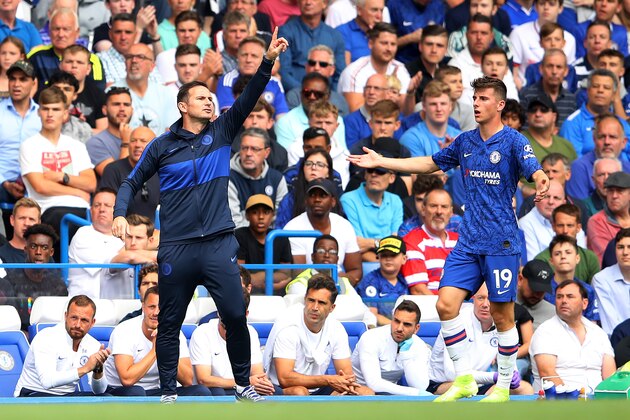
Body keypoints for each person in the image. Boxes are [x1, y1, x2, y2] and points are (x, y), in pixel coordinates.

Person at [111, 27, 288, 403]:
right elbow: (129, 182)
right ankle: (168, 392)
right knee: (170, 323)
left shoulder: (222, 130)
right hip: (176, 247)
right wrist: (119, 214)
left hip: (219, 242)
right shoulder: (160, 146)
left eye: (212, 97)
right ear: (182, 106)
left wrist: (267, 60)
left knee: (236, 316)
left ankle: (242, 386)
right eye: (202, 98)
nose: (210, 102)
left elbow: (250, 95)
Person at [348, 76, 549, 402]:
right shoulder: (465, 141)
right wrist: (383, 161)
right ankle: (465, 379)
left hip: (501, 243)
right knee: (445, 304)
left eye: (483, 98)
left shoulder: (513, 141)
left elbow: (534, 168)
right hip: (468, 240)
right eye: (475, 97)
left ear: (499, 104)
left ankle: (502, 386)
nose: (476, 103)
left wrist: (540, 180)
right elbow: (430, 163)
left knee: (502, 316)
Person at [263, 273, 374, 395]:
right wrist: (327, 380)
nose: (315, 307)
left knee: (366, 392)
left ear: (332, 308)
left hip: (319, 387)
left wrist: (345, 384)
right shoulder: (289, 328)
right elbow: (285, 379)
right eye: (311, 300)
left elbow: (347, 374)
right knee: (300, 392)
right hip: (282, 388)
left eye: (321, 303)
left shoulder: (336, 328)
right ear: (305, 300)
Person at [428, 283, 533, 397]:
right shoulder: (457, 321)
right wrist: (494, 377)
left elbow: (509, 358)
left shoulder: (504, 324)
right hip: (443, 385)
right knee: (469, 387)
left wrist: (512, 373)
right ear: (473, 299)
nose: (485, 304)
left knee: (525, 389)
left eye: (491, 299)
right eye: (480, 298)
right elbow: (452, 374)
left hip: (477, 385)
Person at [103, 286, 211, 396]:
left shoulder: (176, 333)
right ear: (143, 307)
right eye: (152, 307)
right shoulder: (124, 330)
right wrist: (155, 350)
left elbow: (187, 380)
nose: (156, 312)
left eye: (161, 307)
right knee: (137, 392)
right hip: (120, 390)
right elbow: (127, 379)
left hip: (155, 391)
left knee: (201, 391)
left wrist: (167, 346)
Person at [19, 86, 96, 236]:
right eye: (45, 109)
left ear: (65, 113)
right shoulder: (29, 145)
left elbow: (90, 183)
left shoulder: (76, 146)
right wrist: (76, 190)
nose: (50, 114)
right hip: (48, 210)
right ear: (38, 112)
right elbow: (40, 186)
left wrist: (61, 177)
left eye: (55, 109)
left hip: (81, 209)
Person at [14, 295, 112, 397]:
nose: (78, 325)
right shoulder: (46, 337)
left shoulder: (93, 345)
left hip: (65, 396)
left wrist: (98, 370)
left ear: (92, 323)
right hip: (32, 394)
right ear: (66, 316)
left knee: (107, 398)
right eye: (74, 318)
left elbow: (99, 391)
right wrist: (85, 368)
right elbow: (47, 381)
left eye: (84, 320)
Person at [530, 280, 615, 392]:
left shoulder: (599, 334)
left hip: (597, 401)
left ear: (584, 303)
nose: (564, 301)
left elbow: (610, 377)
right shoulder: (545, 331)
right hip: (560, 402)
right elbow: (547, 375)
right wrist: (574, 401)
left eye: (570, 297)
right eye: (559, 297)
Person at [190, 288, 275, 396]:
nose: (231, 315)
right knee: (219, 393)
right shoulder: (202, 332)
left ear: (246, 314)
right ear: (218, 311)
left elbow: (258, 374)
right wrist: (245, 383)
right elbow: (204, 379)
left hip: (242, 387)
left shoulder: (251, 332)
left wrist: (261, 384)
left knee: (273, 392)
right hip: (217, 389)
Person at [284, 178, 362, 286]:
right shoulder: (292, 228)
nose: (317, 199)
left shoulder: (344, 225)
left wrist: (340, 281)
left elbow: (356, 271)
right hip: (306, 287)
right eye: (312, 195)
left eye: (323, 195)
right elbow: (298, 274)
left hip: (338, 284)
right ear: (306, 200)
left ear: (333, 201)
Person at [351, 300, 431, 395]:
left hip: (391, 394)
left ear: (416, 328)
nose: (399, 328)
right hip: (357, 389)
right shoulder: (370, 338)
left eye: (407, 324)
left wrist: (406, 355)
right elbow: (373, 383)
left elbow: (420, 387)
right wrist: (413, 392)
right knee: (369, 393)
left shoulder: (419, 345)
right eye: (396, 321)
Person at [5, 223, 67, 330]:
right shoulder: (10, 281)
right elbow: (9, 324)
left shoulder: (58, 285)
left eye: (44, 247)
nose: (38, 252)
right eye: (33, 246)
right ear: (25, 249)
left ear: (51, 252)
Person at [338, 23, 410, 113]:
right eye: (384, 43)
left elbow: (407, 112)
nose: (389, 48)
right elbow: (356, 111)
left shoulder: (400, 69)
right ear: (371, 44)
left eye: (393, 44)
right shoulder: (354, 72)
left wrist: (411, 93)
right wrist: (386, 97)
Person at [68, 188, 125, 299]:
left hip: (119, 305)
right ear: (91, 211)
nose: (102, 209)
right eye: (97, 205)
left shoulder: (124, 238)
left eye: (107, 205)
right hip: (84, 308)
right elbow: (114, 262)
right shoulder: (83, 234)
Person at [278, 0, 346, 92]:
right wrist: (305, 92)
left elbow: (340, 74)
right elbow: (283, 72)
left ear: (324, 4)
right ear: (298, 3)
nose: (308, 2)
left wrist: (329, 95)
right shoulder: (286, 32)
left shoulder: (335, 36)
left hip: (327, 96)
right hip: (295, 93)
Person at [112, 43, 179, 135]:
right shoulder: (112, 92)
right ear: (125, 63)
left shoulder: (165, 93)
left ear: (152, 66)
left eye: (140, 57)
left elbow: (172, 131)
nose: (134, 60)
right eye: (129, 57)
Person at [341, 164, 403, 262]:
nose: (373, 174)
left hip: (390, 262)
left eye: (380, 171)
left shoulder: (395, 201)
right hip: (363, 263)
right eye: (370, 170)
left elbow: (397, 242)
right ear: (365, 174)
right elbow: (356, 245)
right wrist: (385, 261)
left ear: (391, 178)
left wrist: (372, 243)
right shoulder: (348, 200)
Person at [402, 188, 459, 295]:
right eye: (433, 206)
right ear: (423, 210)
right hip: (431, 307)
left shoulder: (460, 242)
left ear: (451, 212)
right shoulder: (412, 241)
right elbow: (418, 290)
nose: (439, 211)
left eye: (444, 207)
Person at [228, 127, 288, 228]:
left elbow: (281, 218)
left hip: (270, 239)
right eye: (244, 148)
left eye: (255, 149)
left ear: (267, 152)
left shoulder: (277, 179)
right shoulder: (227, 178)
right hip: (241, 240)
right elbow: (234, 222)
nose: (248, 154)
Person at [216, 36, 288, 117]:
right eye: (244, 55)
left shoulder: (275, 83)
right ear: (238, 57)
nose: (248, 60)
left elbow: (282, 117)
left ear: (263, 59)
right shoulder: (226, 81)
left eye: (254, 56)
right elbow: (229, 118)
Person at [0, 60, 40, 206]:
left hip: (34, 181)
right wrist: (4, 183)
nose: (16, 84)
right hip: (2, 181)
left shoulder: (42, 115)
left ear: (34, 83)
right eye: (13, 79)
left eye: (23, 79)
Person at [99, 125, 160, 222]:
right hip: (118, 231)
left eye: (143, 141)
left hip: (148, 233)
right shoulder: (113, 169)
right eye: (133, 140)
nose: (137, 145)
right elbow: (106, 207)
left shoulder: (160, 172)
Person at [234, 194, 292, 294]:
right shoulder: (239, 235)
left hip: (276, 294)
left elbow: (285, 274)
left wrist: (262, 276)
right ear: (247, 215)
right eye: (255, 212)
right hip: (245, 292)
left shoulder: (280, 237)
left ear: (273, 215)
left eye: (266, 212)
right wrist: (267, 279)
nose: (261, 217)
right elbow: (239, 274)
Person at [566, 113, 630, 201]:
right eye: (602, 137)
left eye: (612, 137)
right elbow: (579, 209)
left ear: (624, 142)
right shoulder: (579, 168)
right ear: (594, 140)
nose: (607, 142)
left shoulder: (628, 169)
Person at [534, 204, 600, 284]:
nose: (565, 230)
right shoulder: (541, 260)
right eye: (560, 225)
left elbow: (593, 292)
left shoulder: (590, 258)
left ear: (578, 228)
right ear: (553, 227)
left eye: (570, 225)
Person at [544, 234, 600, 322]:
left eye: (568, 252)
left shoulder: (588, 290)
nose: (563, 257)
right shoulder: (543, 289)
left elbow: (593, 325)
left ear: (577, 258)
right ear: (551, 261)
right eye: (557, 253)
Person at [400, 81, 462, 158]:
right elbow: (420, 170)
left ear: (450, 106)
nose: (439, 109)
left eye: (443, 104)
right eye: (433, 104)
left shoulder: (460, 137)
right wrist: (446, 157)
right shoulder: (411, 138)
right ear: (424, 106)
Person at [356, 235, 409, 324]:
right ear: (378, 257)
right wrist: (398, 326)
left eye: (393, 255)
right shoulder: (370, 281)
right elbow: (372, 316)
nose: (388, 258)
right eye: (384, 255)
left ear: (404, 259)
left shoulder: (406, 280)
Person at [285, 45, 350, 116]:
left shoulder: (340, 101)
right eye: (312, 63)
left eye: (323, 64)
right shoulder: (294, 96)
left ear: (332, 70)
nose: (316, 67)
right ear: (306, 67)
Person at [86, 86, 133, 177]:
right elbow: (117, 178)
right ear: (104, 110)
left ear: (132, 110)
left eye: (126, 104)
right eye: (116, 104)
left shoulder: (141, 138)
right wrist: (126, 143)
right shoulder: (95, 143)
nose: (122, 108)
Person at [519, 179, 569, 261]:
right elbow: (534, 263)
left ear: (564, 203)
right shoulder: (525, 224)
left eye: (556, 198)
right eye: (546, 196)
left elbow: (581, 257)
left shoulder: (571, 220)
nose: (551, 202)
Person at [592, 228, 630, 335]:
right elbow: (611, 327)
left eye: (629, 247)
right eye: (620, 247)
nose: (625, 252)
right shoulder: (602, 279)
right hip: (618, 343)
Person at [587, 171, 630, 263]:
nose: (614, 196)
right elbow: (609, 259)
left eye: (620, 191)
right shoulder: (596, 221)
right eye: (610, 191)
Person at [517, 259, 555, 330]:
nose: (537, 294)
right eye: (534, 288)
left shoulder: (553, 314)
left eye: (542, 290)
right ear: (520, 279)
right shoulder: (504, 305)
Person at [0, 198, 41, 264]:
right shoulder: (1, 255)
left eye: (31, 219)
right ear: (12, 220)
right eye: (22, 218)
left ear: (38, 223)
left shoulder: (44, 256)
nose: (26, 223)